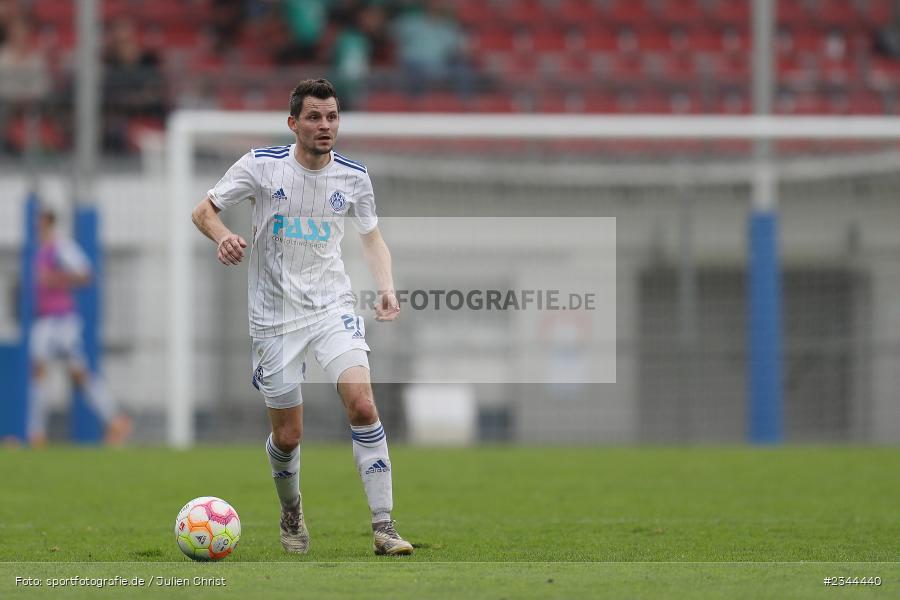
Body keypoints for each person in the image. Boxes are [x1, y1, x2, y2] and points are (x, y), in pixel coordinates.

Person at [190, 78, 413, 556]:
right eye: (314, 117)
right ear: (294, 124)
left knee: (364, 406)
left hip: (332, 306)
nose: (325, 125)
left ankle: (384, 525)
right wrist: (223, 235)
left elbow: (371, 237)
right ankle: (291, 511)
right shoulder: (261, 167)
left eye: (332, 116)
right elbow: (203, 210)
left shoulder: (354, 177)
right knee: (288, 436)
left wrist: (386, 287)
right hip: (274, 318)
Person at [29, 209, 132, 447]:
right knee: (41, 371)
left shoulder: (61, 247)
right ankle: (37, 433)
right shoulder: (38, 250)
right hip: (45, 320)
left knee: (77, 374)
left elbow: (86, 274)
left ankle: (115, 420)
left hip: (63, 320)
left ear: (48, 222)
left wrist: (53, 279)